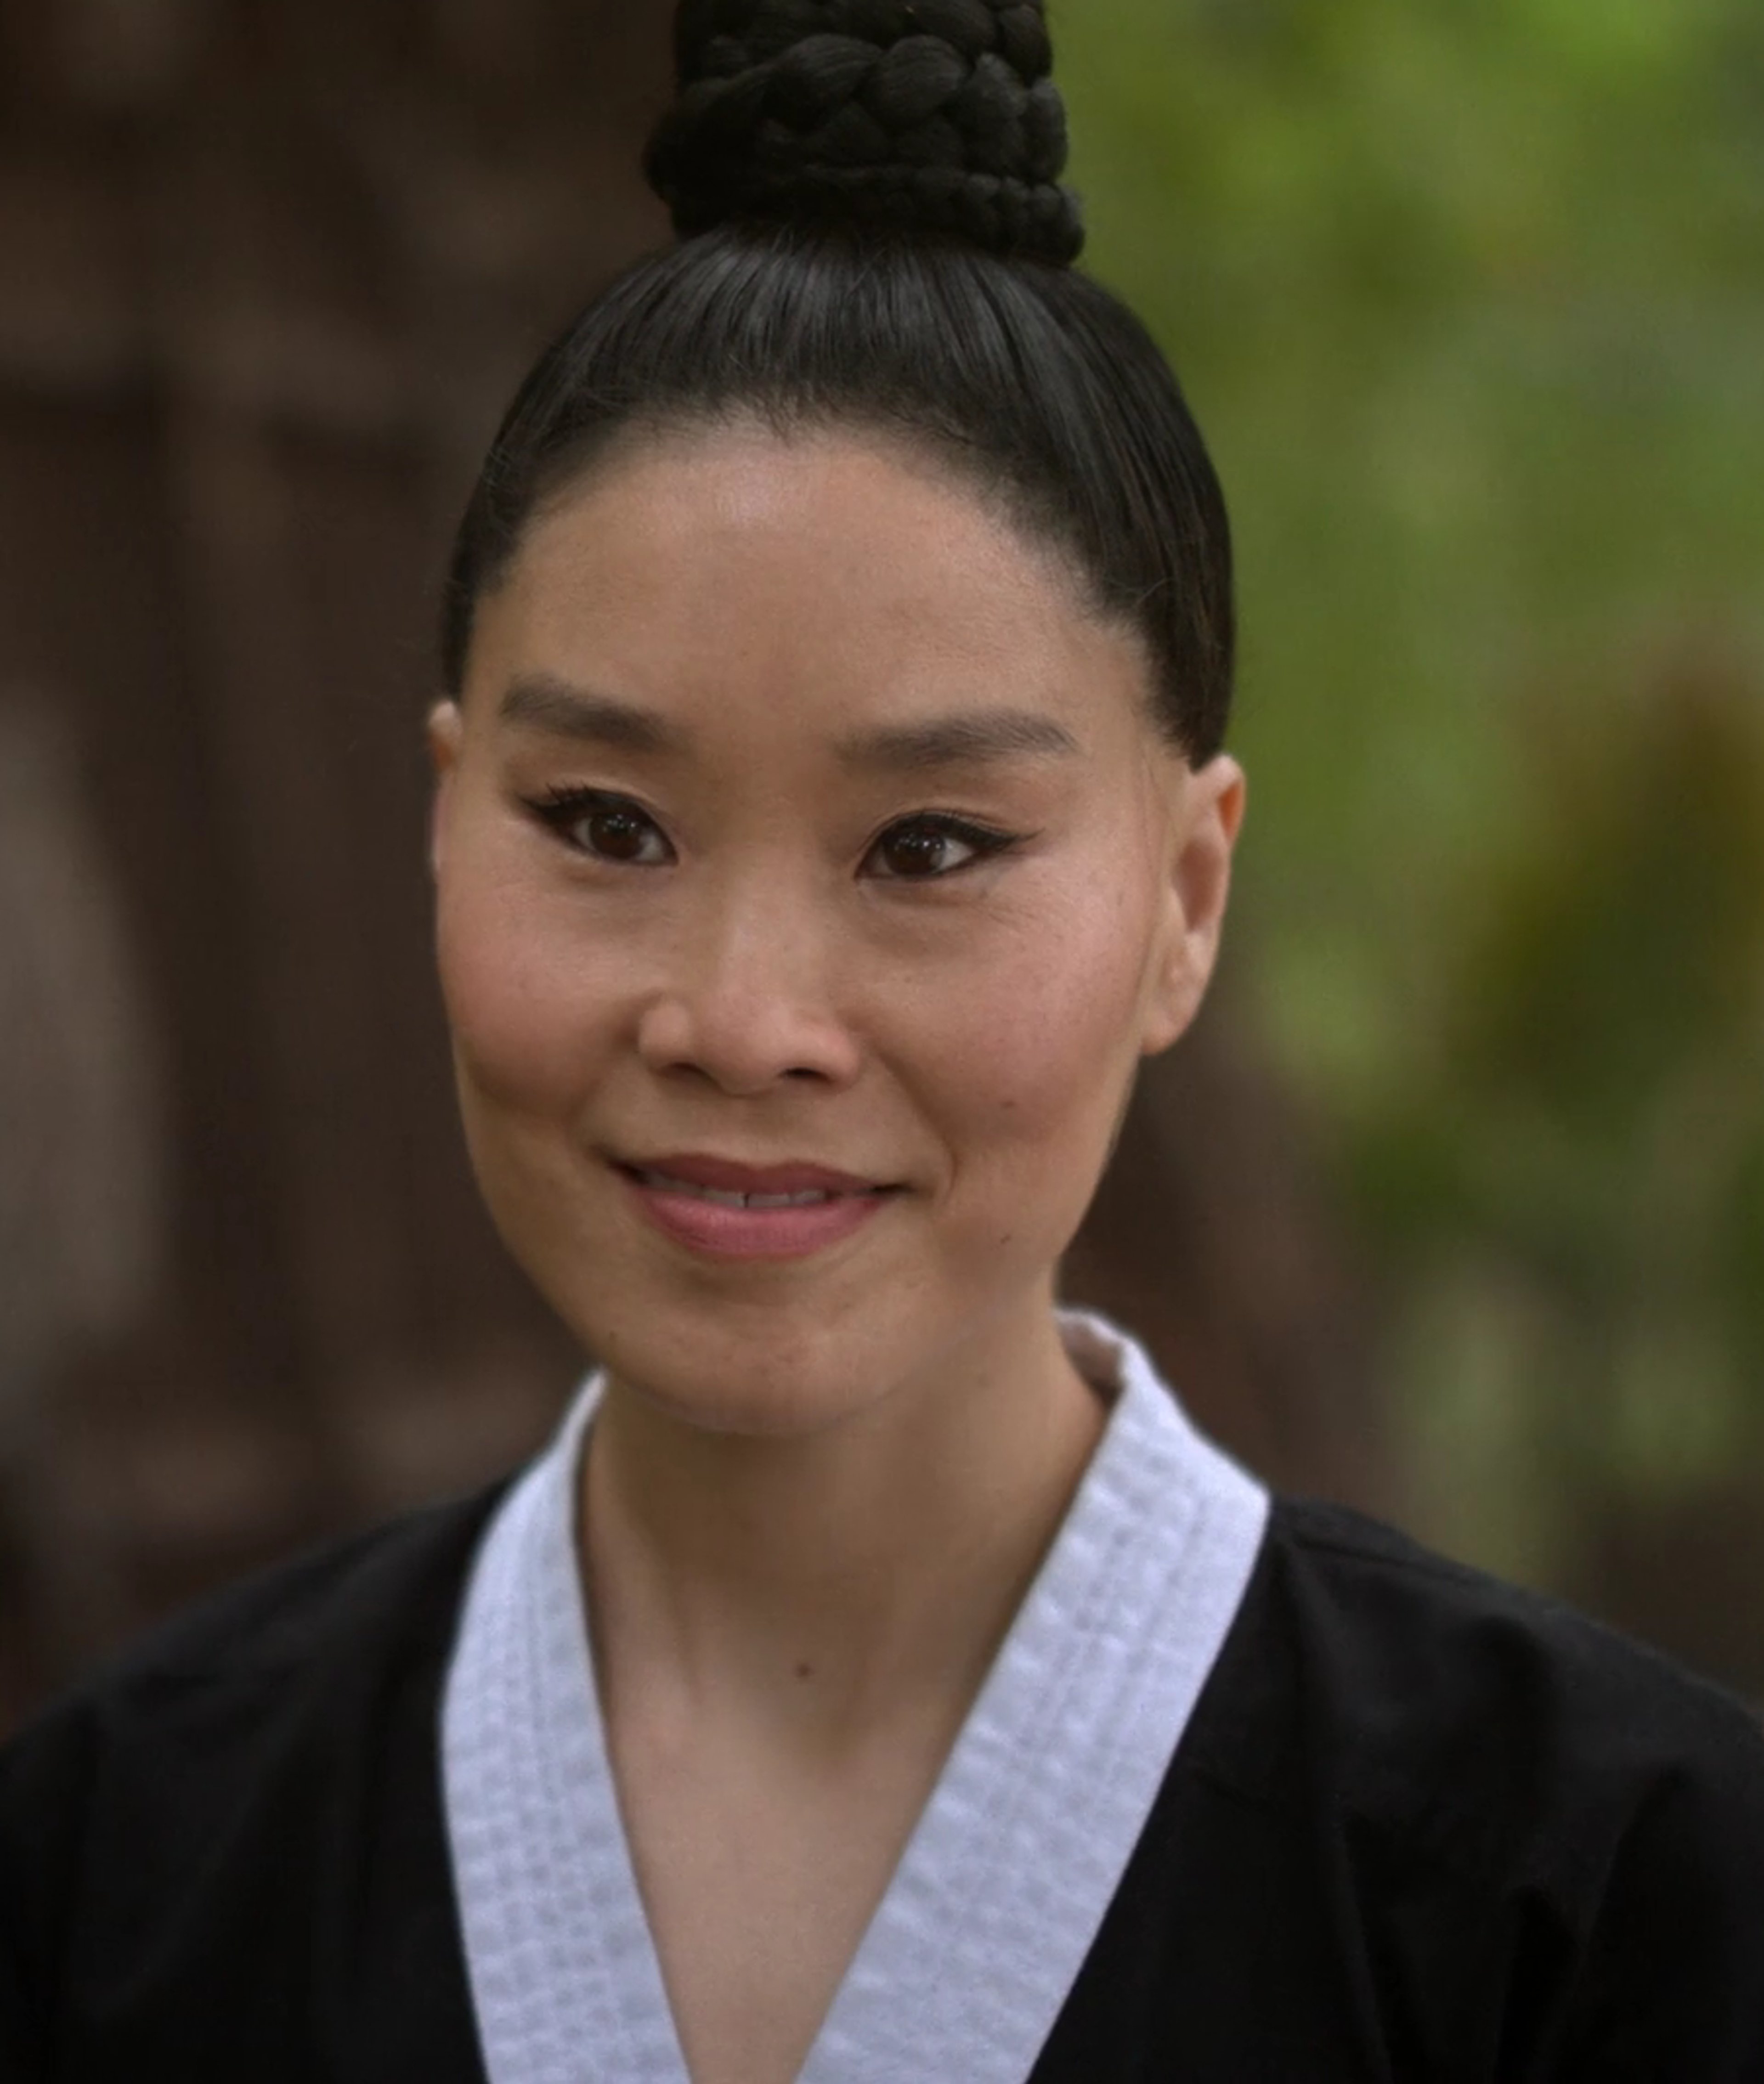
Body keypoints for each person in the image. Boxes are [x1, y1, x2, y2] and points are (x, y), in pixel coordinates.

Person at [4, 3, 1763, 2078]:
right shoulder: (110, 1867)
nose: (744, 1018)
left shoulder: (1621, 1898)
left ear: (1186, 900)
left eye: (930, 844)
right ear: (441, 817)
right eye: (605, 826)